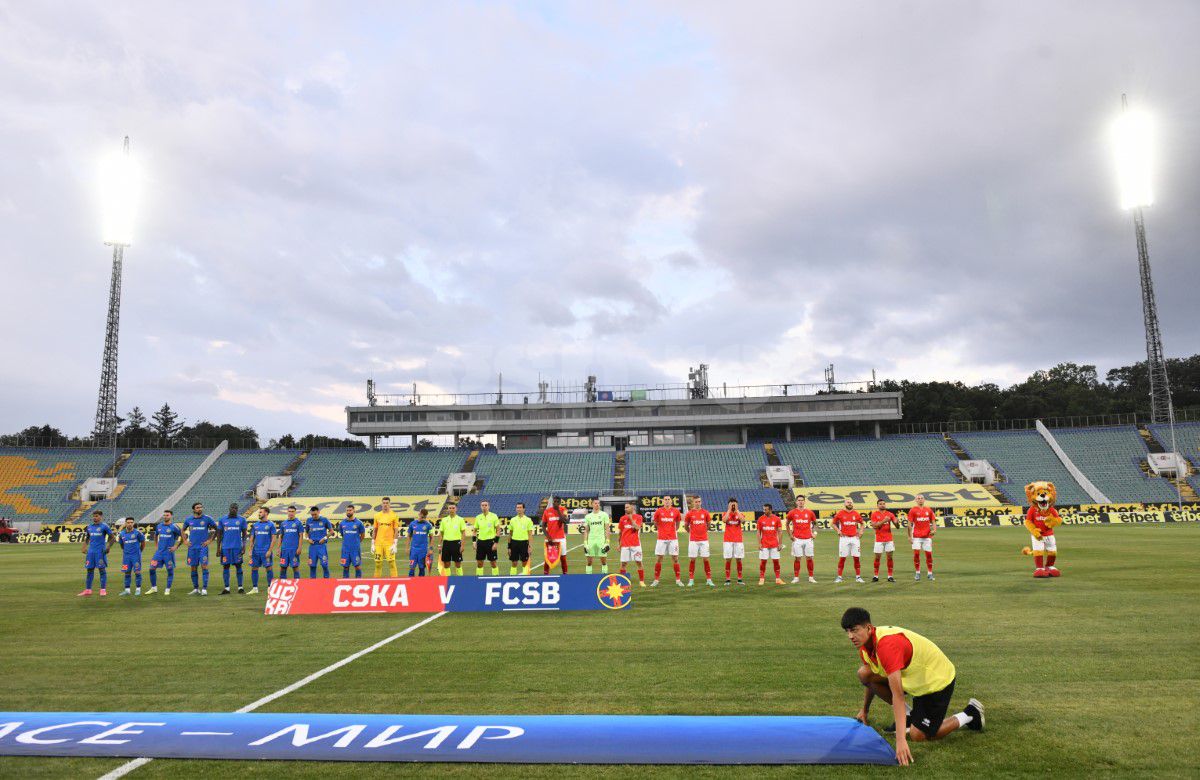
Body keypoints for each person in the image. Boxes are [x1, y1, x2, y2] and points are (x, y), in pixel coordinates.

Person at [842, 606, 984, 766]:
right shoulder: (865, 646)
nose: (850, 636)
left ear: (868, 628)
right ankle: (910, 715)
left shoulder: (886, 646)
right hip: (914, 678)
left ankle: (970, 713)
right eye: (847, 631)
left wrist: (901, 741)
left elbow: (898, 695)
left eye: (854, 630)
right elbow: (870, 677)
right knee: (864, 673)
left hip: (936, 681)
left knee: (918, 735)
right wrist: (864, 710)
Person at [183, 502, 217, 595]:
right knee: (193, 568)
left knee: (204, 566)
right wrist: (185, 541)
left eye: (201, 507)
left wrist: (210, 540)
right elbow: (182, 530)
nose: (200, 509)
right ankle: (196, 588)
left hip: (203, 547)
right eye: (197, 508)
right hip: (192, 548)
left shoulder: (207, 519)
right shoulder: (189, 519)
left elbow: (217, 529)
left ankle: (204, 588)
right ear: (194, 509)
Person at [79, 510, 115, 596]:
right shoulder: (89, 527)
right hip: (91, 552)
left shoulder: (104, 526)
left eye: (96, 516)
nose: (95, 518)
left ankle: (103, 590)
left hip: (100, 552)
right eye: (94, 516)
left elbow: (113, 538)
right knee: (89, 570)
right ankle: (88, 590)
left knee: (102, 570)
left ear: (101, 517)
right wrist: (84, 547)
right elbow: (87, 537)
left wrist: (108, 547)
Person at [146, 509, 182, 596]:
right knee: (151, 569)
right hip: (159, 553)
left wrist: (176, 546)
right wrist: (156, 545)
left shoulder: (174, 527)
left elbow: (183, 536)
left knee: (170, 571)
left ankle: (167, 589)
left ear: (171, 516)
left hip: (168, 553)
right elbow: (155, 535)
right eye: (164, 515)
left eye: (167, 515)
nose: (165, 516)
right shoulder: (159, 526)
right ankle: (154, 588)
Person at [651, 495, 684, 587]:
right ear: (663, 501)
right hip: (661, 539)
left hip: (673, 538)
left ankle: (678, 580)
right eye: (665, 499)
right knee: (659, 559)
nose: (667, 501)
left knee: (675, 559)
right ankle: (656, 580)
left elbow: (677, 523)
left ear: (671, 501)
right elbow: (655, 522)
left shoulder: (676, 511)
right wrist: (661, 530)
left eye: (668, 499)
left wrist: (673, 531)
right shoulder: (658, 511)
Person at [217, 503, 248, 595]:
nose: (234, 509)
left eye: (236, 508)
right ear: (229, 508)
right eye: (232, 508)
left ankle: (240, 587)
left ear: (237, 509)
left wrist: (244, 546)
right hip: (225, 548)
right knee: (226, 566)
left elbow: (245, 534)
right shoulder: (222, 519)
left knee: (238, 566)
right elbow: (219, 534)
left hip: (237, 547)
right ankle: (226, 588)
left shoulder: (242, 519)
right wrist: (218, 548)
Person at [684, 497, 715, 587]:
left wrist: (704, 531)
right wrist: (691, 532)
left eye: (699, 501)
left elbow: (709, 524)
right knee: (692, 559)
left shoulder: (705, 512)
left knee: (706, 559)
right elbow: (686, 526)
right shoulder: (689, 513)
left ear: (701, 502)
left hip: (704, 540)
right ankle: (691, 580)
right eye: (696, 502)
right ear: (693, 503)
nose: (698, 503)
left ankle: (709, 580)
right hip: (693, 540)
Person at [786, 496, 818, 584]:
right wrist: (790, 535)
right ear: (796, 502)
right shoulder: (792, 512)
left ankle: (811, 577)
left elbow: (815, 523)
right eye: (799, 500)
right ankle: (796, 577)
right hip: (797, 539)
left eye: (802, 500)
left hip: (808, 539)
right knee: (797, 558)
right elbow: (787, 524)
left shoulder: (810, 512)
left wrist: (814, 533)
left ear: (804, 502)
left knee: (809, 558)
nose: (800, 502)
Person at [833, 499, 865, 583]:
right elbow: (833, 523)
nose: (850, 503)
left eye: (851, 502)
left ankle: (858, 577)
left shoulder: (856, 513)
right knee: (842, 558)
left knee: (856, 558)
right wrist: (838, 531)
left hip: (855, 538)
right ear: (844, 504)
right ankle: (839, 577)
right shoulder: (840, 513)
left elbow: (862, 523)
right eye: (848, 502)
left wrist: (861, 531)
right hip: (844, 538)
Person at [908, 495, 937, 581]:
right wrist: (909, 536)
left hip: (927, 536)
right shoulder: (913, 510)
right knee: (916, 554)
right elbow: (909, 524)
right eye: (918, 499)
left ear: (924, 500)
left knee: (929, 555)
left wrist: (934, 530)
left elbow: (933, 521)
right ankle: (917, 572)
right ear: (916, 500)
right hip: (916, 536)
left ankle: (930, 573)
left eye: (921, 498)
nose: (920, 500)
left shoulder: (928, 510)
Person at [248, 507, 277, 594]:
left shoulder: (271, 525)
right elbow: (252, 538)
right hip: (256, 551)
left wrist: (269, 550)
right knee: (254, 568)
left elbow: (274, 539)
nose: (259, 514)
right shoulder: (255, 525)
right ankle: (255, 588)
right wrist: (250, 550)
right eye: (259, 512)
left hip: (266, 551)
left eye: (261, 512)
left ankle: (270, 587)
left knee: (268, 568)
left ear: (266, 513)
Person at [616, 502, 646, 586]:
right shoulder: (622, 518)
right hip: (625, 545)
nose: (625, 509)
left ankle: (641, 581)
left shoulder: (639, 517)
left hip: (635, 544)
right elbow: (620, 533)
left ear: (632, 508)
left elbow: (637, 528)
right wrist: (619, 544)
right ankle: (622, 582)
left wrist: (631, 519)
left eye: (627, 507)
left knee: (639, 562)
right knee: (623, 564)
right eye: (625, 508)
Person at [870, 499, 898, 583]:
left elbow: (897, 526)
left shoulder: (890, 514)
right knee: (877, 557)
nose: (882, 505)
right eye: (880, 504)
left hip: (889, 539)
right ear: (877, 505)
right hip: (879, 539)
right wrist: (884, 521)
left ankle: (890, 576)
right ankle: (876, 576)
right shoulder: (874, 514)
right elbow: (875, 526)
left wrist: (896, 522)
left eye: (883, 504)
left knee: (890, 557)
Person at [116, 517, 146, 596]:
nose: (130, 524)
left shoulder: (137, 533)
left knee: (137, 572)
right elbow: (122, 545)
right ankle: (127, 590)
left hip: (136, 556)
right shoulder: (122, 534)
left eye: (131, 522)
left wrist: (139, 552)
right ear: (125, 523)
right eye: (128, 522)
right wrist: (126, 551)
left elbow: (143, 543)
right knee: (127, 573)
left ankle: (138, 589)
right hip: (126, 557)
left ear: (133, 523)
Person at [756, 503, 783, 585]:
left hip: (774, 544)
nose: (764, 511)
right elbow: (758, 532)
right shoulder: (760, 519)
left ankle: (778, 579)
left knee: (776, 561)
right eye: (763, 509)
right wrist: (759, 543)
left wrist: (780, 543)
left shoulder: (777, 519)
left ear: (770, 510)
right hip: (764, 544)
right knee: (763, 561)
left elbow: (780, 531)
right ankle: (761, 578)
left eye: (765, 509)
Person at [471, 500, 501, 575]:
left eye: (486, 505)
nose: (484, 507)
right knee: (479, 563)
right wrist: (474, 542)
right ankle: (478, 580)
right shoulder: (478, 517)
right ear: (481, 507)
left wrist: (496, 543)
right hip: (480, 542)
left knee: (493, 563)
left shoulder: (494, 516)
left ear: (489, 506)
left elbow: (498, 530)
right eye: (482, 505)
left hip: (491, 542)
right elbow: (474, 531)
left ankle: (495, 578)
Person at [373, 497, 400, 578]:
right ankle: (376, 583)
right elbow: (375, 530)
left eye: (387, 503)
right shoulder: (377, 515)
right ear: (381, 504)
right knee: (378, 564)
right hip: (378, 543)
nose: (385, 505)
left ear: (389, 504)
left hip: (389, 543)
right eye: (384, 503)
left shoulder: (394, 516)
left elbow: (396, 531)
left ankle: (395, 582)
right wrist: (372, 543)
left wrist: (395, 544)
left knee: (391, 563)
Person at [582, 498, 611, 575]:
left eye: (598, 503)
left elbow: (607, 529)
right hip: (591, 541)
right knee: (589, 562)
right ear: (592, 504)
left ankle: (603, 577)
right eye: (595, 503)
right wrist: (585, 543)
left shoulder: (604, 515)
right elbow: (586, 530)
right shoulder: (588, 516)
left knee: (603, 561)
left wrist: (607, 542)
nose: (597, 504)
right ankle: (588, 578)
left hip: (601, 540)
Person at [541, 496, 569, 575]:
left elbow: (565, 521)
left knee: (563, 558)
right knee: (547, 558)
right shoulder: (547, 511)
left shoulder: (563, 510)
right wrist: (548, 537)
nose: (555, 503)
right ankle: (546, 575)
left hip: (561, 539)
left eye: (557, 502)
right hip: (549, 539)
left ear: (560, 503)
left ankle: (565, 575)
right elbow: (543, 525)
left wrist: (558, 510)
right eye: (554, 501)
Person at [721, 498, 746, 586]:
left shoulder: (740, 514)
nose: (733, 506)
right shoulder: (725, 513)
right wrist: (729, 510)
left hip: (738, 540)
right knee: (728, 559)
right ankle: (728, 579)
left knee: (738, 559)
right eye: (731, 504)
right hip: (728, 540)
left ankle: (739, 579)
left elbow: (743, 521)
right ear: (728, 505)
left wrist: (737, 510)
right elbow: (724, 520)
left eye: (734, 504)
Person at [438, 503, 467, 576]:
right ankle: (448, 579)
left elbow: (463, 533)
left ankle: (460, 579)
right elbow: (441, 533)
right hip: (446, 543)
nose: (451, 509)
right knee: (446, 563)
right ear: (448, 509)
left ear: (456, 509)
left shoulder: (460, 519)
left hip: (456, 543)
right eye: (450, 508)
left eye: (453, 508)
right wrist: (439, 544)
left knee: (458, 563)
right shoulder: (444, 520)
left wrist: (462, 545)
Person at [339, 504, 367, 578]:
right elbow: (342, 534)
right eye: (347, 510)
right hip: (345, 549)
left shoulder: (359, 523)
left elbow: (363, 535)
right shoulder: (342, 523)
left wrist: (357, 542)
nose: (348, 512)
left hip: (355, 549)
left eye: (350, 510)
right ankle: (345, 583)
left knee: (357, 566)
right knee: (345, 567)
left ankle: (358, 582)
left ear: (354, 511)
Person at [305, 506, 334, 579]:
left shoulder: (324, 520)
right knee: (312, 566)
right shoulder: (309, 520)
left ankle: (326, 581)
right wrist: (308, 539)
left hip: (322, 546)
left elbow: (331, 531)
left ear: (318, 512)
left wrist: (324, 538)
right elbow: (306, 533)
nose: (313, 516)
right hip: (312, 547)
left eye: (315, 514)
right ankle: (313, 582)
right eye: (312, 515)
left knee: (324, 564)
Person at [506, 503, 534, 575]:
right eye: (517, 507)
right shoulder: (512, 520)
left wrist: (530, 546)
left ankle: (525, 578)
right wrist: (509, 547)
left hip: (524, 543)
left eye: (520, 507)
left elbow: (530, 535)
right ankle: (512, 578)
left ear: (524, 509)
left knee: (524, 563)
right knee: (514, 563)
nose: (518, 509)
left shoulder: (528, 520)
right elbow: (510, 534)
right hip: (514, 543)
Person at [277, 505, 304, 579]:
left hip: (294, 549)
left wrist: (299, 547)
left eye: (292, 511)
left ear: (295, 512)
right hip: (284, 549)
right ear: (287, 512)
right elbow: (281, 536)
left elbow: (301, 536)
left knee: (295, 567)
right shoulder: (283, 523)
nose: (291, 513)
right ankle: (283, 585)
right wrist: (279, 548)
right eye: (289, 511)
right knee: (283, 567)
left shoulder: (298, 523)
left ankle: (297, 584)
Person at [408, 509, 434, 576]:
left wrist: (431, 549)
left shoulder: (428, 525)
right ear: (419, 514)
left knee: (422, 568)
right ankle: (410, 584)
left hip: (423, 551)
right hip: (413, 550)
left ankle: (421, 584)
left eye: (424, 516)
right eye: (421, 514)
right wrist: (407, 548)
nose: (422, 516)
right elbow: (409, 536)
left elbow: (432, 538)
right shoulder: (412, 524)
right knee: (411, 568)